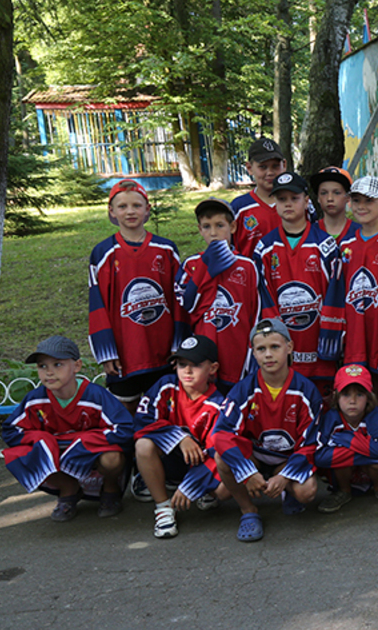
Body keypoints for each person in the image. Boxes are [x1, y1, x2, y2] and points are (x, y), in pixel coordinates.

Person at [213, 318, 323, 542]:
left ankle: (283, 487)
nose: (268, 355)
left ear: (289, 347)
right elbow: (222, 435)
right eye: (261, 349)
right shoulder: (243, 390)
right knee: (221, 481)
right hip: (254, 456)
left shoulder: (306, 391)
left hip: (285, 458)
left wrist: (284, 476)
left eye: (275, 347)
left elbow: (310, 443)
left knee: (307, 492)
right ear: (253, 353)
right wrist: (247, 472)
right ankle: (249, 511)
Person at [2, 336, 133, 521]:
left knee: (113, 458)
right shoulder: (35, 399)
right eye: (42, 366)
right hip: (59, 451)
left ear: (77, 366)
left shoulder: (95, 395)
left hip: (91, 452)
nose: (49, 372)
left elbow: (125, 428)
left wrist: (85, 441)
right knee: (18, 455)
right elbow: (11, 430)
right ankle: (68, 490)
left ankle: (110, 490)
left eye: (57, 364)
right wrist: (42, 440)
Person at [89, 179, 187, 413]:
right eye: (122, 206)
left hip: (163, 352)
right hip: (126, 352)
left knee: (164, 411)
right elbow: (97, 306)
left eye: (136, 205)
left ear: (147, 209)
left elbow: (179, 301)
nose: (130, 211)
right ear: (111, 211)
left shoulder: (166, 250)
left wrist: (179, 345)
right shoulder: (103, 253)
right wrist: (106, 352)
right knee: (125, 412)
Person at [133, 335, 229, 538]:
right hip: (168, 462)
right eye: (181, 364)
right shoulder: (166, 386)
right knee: (143, 445)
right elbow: (142, 421)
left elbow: (217, 451)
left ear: (212, 369)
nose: (186, 370)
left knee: (224, 490)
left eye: (195, 365)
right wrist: (179, 438)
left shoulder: (218, 404)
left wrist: (192, 485)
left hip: (197, 464)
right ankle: (163, 508)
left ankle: (198, 491)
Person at [255, 171, 341, 396]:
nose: (288, 204)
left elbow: (335, 295)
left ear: (306, 201)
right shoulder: (264, 248)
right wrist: (275, 339)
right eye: (282, 199)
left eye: (294, 198)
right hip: (284, 347)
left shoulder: (325, 245)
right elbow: (264, 296)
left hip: (319, 347)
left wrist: (330, 342)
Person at [175, 197, 275, 391]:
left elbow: (257, 312)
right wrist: (207, 267)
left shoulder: (247, 266)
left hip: (237, 350)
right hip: (202, 352)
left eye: (220, 225)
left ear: (233, 227)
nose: (213, 233)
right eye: (206, 226)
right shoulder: (191, 265)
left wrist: (256, 350)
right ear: (199, 229)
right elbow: (187, 306)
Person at [320, 175, 378, 375]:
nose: (361, 206)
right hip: (353, 338)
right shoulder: (345, 245)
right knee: (356, 389)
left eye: (369, 200)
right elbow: (337, 293)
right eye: (356, 200)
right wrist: (335, 334)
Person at [313, 364, 378, 513]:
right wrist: (367, 449)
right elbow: (319, 456)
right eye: (346, 394)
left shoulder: (375, 415)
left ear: (369, 398)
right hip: (345, 472)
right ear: (336, 396)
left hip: (372, 471)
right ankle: (344, 491)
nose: (352, 401)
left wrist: (349, 440)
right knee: (347, 462)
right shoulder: (331, 417)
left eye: (360, 394)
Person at [232, 138, 287, 258]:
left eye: (275, 166)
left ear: (284, 165)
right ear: (249, 168)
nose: (270, 172)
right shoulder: (239, 208)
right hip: (251, 275)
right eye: (263, 167)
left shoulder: (299, 204)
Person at [311, 166, 359, 242]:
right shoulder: (310, 233)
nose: (330, 198)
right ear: (318, 198)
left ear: (348, 197)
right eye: (324, 193)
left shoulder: (360, 233)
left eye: (337, 193)